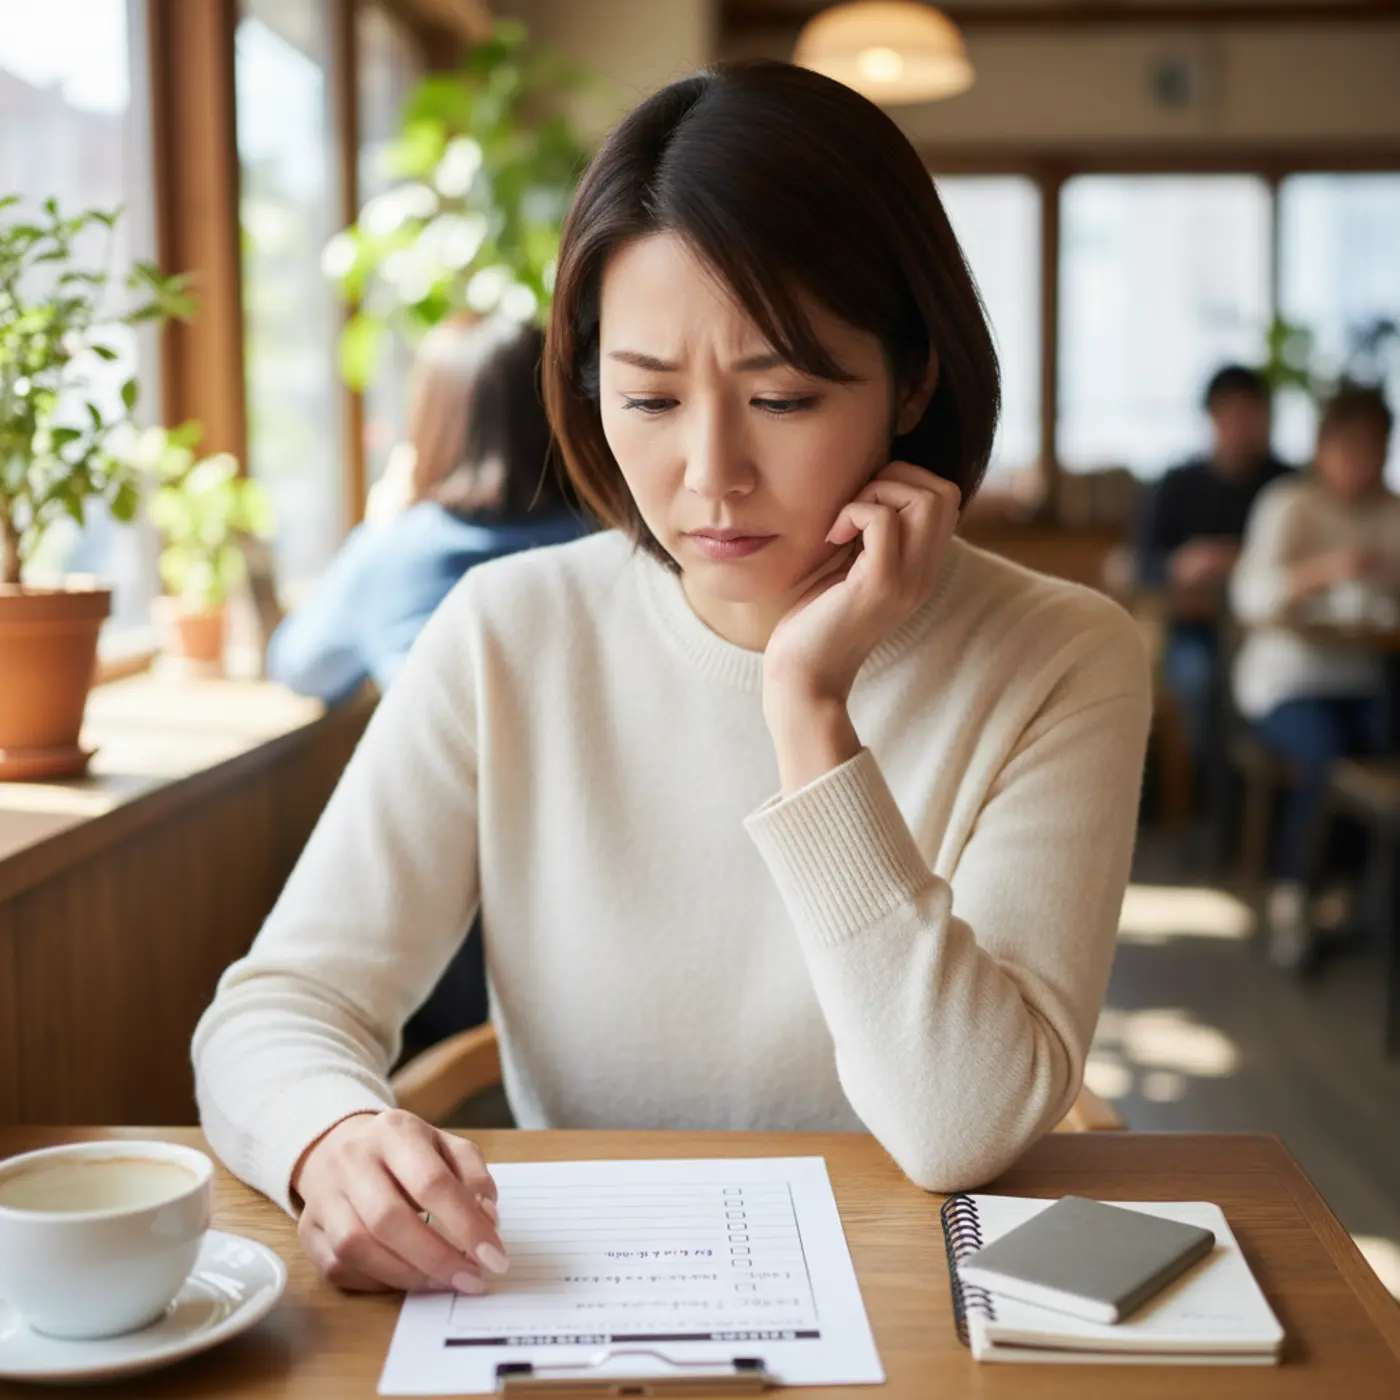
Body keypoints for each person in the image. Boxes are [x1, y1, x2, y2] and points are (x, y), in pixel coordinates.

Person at [193, 60, 1151, 1298]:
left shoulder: (1060, 655)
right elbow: (279, 1004)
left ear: (911, 379)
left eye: (782, 395)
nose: (709, 473)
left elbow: (959, 1127)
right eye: (645, 395)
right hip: (563, 1298)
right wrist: (328, 1137)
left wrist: (808, 710)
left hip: (910, 1315)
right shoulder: (510, 628)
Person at [266, 314, 588, 706]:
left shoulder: (399, 553)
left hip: (447, 766)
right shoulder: (604, 539)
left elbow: (300, 665)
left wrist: (380, 528)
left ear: (432, 420)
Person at [1231, 386, 1400, 968]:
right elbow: (1249, 597)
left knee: (1382, 749)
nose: (1362, 461)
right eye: (1350, 446)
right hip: (1288, 680)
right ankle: (1294, 896)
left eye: (1375, 448)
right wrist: (1329, 571)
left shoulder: (1391, 511)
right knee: (1326, 751)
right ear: (1323, 448)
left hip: (1364, 677)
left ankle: (1354, 890)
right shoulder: (1289, 504)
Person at [1135, 365, 1293, 804]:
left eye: (1253, 413)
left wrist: (1240, 557)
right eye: (1232, 414)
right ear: (1212, 417)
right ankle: (1218, 805)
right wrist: (1181, 564)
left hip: (1271, 631)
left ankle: (1261, 809)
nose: (1243, 425)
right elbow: (1140, 564)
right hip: (1193, 629)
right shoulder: (1178, 484)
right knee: (1202, 681)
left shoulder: (1287, 485)